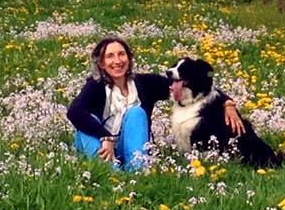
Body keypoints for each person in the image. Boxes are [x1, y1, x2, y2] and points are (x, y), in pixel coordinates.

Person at [66, 35, 245, 171]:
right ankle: (111, 174)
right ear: (102, 64)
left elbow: (197, 85)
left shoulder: (144, 83)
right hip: (101, 144)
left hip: (128, 147)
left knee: (136, 113)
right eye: (110, 56)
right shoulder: (94, 86)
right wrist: (105, 137)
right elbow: (74, 112)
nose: (117, 61)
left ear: (129, 59)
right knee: (87, 123)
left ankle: (136, 170)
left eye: (122, 54)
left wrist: (227, 103)